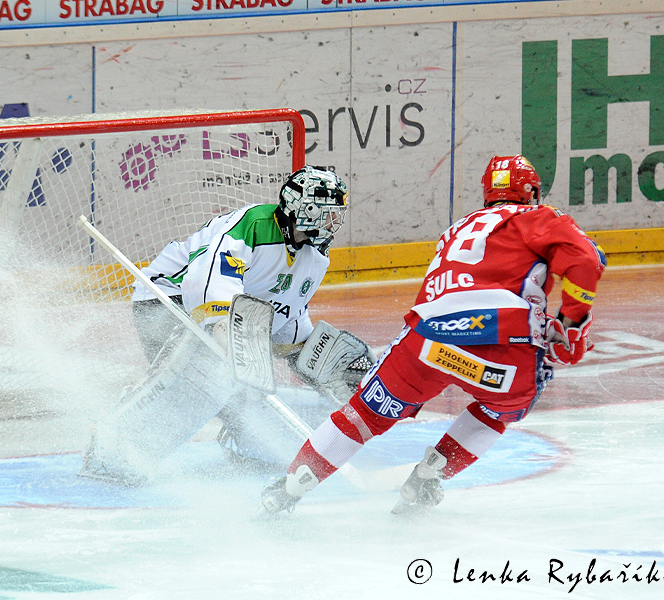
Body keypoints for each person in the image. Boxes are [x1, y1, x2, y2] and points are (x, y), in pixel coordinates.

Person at [259, 154, 607, 515]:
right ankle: (429, 476)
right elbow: (585, 260)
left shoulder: (457, 230)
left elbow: (457, 290)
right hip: (501, 347)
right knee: (499, 410)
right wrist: (570, 324)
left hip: (426, 340)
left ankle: (288, 489)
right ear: (531, 192)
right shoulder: (539, 217)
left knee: (362, 414)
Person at [109, 165, 372, 474]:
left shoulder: (315, 257)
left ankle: (247, 444)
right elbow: (205, 279)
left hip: (229, 318)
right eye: (328, 214)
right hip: (168, 298)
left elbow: (287, 311)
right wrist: (225, 328)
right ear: (306, 209)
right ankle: (116, 443)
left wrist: (306, 353)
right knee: (201, 380)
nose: (334, 222)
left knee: (240, 396)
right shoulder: (255, 224)